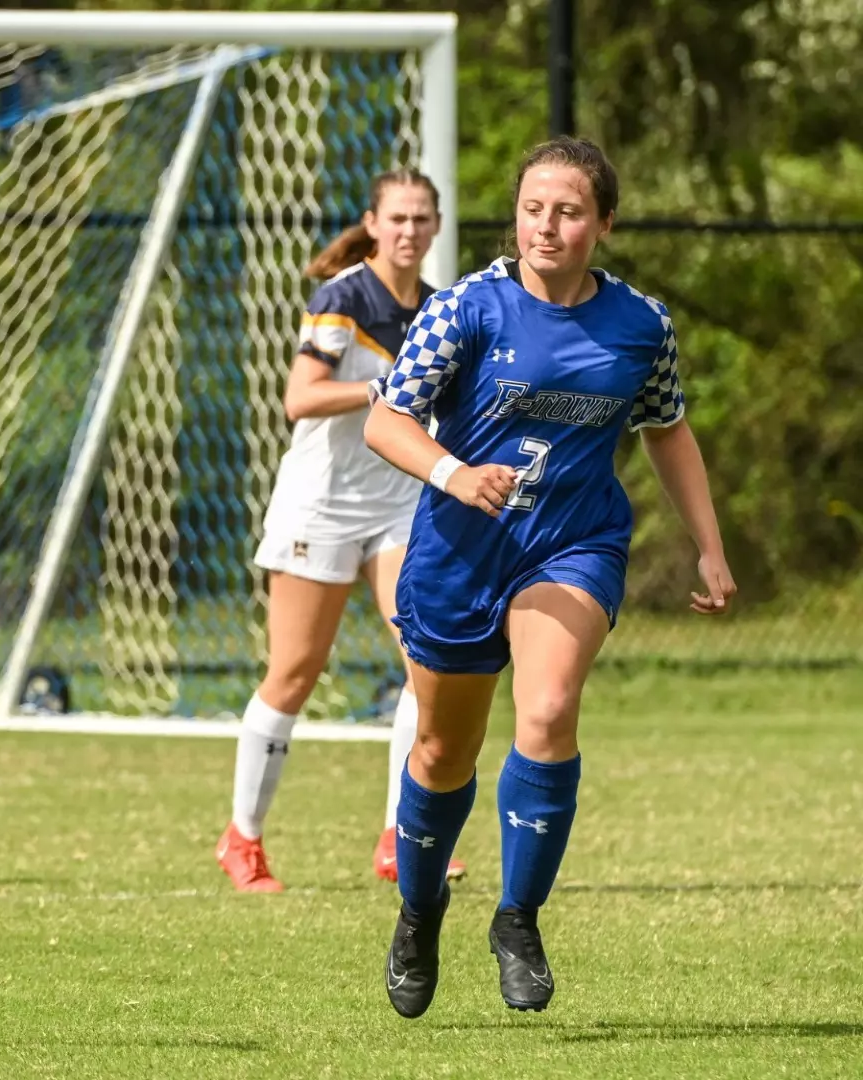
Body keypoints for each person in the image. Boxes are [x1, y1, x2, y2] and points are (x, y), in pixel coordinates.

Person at [364, 137, 734, 1017]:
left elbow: (667, 428)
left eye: (568, 211)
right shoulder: (465, 310)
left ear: (603, 223)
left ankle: (518, 917)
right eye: (533, 208)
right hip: (459, 552)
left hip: (572, 544)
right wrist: (455, 473)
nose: (547, 226)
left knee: (547, 709)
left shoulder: (642, 325)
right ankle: (420, 913)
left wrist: (710, 545)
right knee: (444, 752)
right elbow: (388, 421)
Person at [217, 169, 465, 893]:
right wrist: (381, 390)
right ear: (374, 223)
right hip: (320, 505)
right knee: (295, 672)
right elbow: (301, 397)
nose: (409, 230)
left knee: (428, 660)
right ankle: (243, 838)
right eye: (398, 218)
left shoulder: (441, 308)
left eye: (422, 218)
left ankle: (400, 836)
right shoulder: (344, 297)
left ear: (436, 227)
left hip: (396, 502)